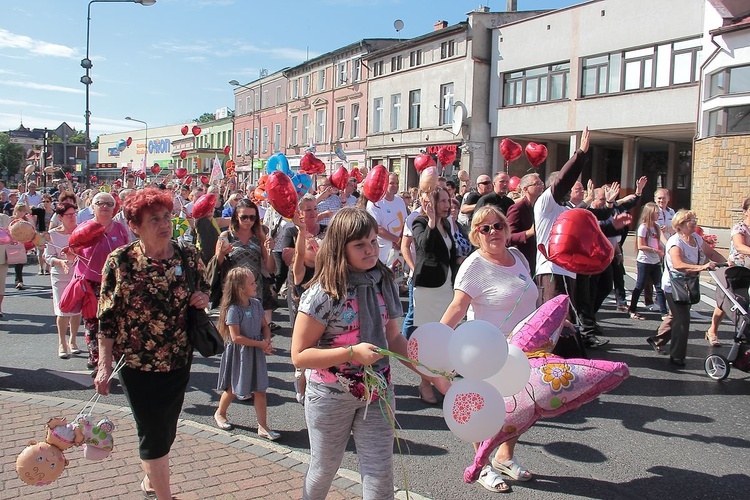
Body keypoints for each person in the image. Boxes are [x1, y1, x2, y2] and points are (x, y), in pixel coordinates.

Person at [95, 188, 211, 500]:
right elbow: (106, 318)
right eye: (154, 219)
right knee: (153, 430)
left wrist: (202, 298)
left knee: (167, 428)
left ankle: (150, 479)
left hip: (177, 357)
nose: (164, 224)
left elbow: (204, 289)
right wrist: (104, 366)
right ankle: (164, 495)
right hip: (135, 362)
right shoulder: (120, 262)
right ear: (135, 226)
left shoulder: (188, 255)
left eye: (167, 216)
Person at [291, 207, 408, 500]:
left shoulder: (383, 281)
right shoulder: (323, 292)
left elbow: (393, 336)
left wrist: (432, 373)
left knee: (380, 474)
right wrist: (351, 352)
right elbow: (299, 355)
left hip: (378, 391)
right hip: (330, 396)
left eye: (372, 241)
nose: (370, 250)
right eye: (360, 245)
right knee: (324, 469)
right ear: (340, 249)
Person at [441, 206, 538, 493]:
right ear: (476, 234)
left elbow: (531, 296)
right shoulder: (474, 266)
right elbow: (457, 307)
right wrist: (438, 342)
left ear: (507, 229)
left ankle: (505, 457)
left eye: (498, 226)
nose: (493, 232)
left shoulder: (519, 257)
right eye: (485, 228)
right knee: (482, 411)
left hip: (522, 349)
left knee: (519, 407)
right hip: (484, 350)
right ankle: (481, 464)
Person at [648, 210, 726, 366]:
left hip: (688, 284)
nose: (694, 221)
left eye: (694, 219)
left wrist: (727, 264)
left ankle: (657, 339)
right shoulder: (675, 242)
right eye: (690, 220)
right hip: (674, 285)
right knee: (683, 319)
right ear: (680, 225)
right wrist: (703, 267)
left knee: (675, 316)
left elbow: (711, 253)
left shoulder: (696, 238)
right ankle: (677, 356)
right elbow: (678, 265)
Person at [213, 267, 279, 439]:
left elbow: (265, 326)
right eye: (251, 283)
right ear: (240, 288)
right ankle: (220, 412)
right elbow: (236, 338)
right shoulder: (234, 310)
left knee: (260, 389)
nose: (255, 284)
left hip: (255, 351)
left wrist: (266, 340)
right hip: (240, 353)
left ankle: (263, 426)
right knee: (234, 388)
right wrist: (260, 344)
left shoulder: (256, 304)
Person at [74, 192, 129, 369]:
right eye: (100, 203)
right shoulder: (84, 227)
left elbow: (128, 253)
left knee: (115, 322)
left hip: (115, 283)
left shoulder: (120, 228)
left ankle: (113, 358)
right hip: (91, 283)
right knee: (92, 322)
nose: (104, 206)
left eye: (109, 204)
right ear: (93, 206)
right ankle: (96, 359)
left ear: (114, 208)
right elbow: (73, 250)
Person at [215, 199, 276, 326]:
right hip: (233, 289)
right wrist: (221, 253)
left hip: (254, 290)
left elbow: (270, 268)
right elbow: (216, 266)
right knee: (233, 331)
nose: (248, 221)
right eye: (244, 217)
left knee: (253, 329)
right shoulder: (226, 236)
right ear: (236, 217)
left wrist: (270, 250)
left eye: (252, 217)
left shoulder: (260, 236)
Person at [706, 196, 750, 345]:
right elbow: (740, 246)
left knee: (743, 304)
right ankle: (713, 330)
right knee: (726, 303)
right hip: (736, 271)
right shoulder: (739, 228)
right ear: (745, 212)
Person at [44, 202, 82, 359]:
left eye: (74, 214)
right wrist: (60, 262)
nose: (73, 218)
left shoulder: (81, 231)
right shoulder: (52, 234)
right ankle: (62, 342)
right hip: (60, 275)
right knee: (63, 309)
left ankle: (73, 340)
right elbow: (47, 257)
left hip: (78, 274)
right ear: (60, 217)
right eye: (69, 215)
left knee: (77, 309)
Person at [628, 202, 668, 320]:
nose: (658, 215)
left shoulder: (656, 226)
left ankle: (664, 313)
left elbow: (662, 241)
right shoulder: (643, 227)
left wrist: (667, 249)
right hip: (644, 261)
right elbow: (641, 246)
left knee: (660, 287)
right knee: (640, 286)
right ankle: (632, 309)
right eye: (656, 213)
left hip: (655, 262)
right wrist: (656, 251)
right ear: (650, 214)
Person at [506, 173, 544, 275]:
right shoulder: (517, 209)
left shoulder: (540, 207)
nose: (540, 186)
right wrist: (529, 233)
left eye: (541, 183)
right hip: (522, 260)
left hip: (539, 258)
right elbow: (508, 237)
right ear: (526, 189)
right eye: (536, 184)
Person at [366, 173, 407, 264]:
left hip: (397, 252)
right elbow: (376, 227)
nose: (395, 186)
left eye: (397, 183)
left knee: (396, 277)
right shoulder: (375, 203)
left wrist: (402, 240)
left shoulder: (400, 201)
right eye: (391, 183)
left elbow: (405, 223)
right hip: (381, 252)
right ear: (384, 184)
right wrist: (396, 240)